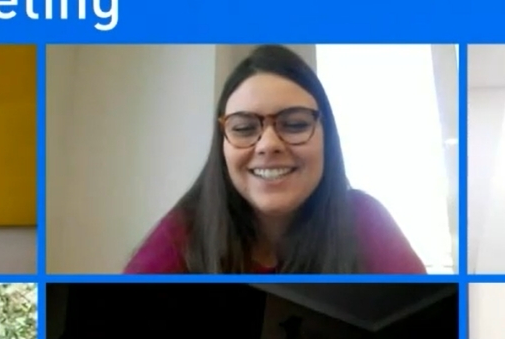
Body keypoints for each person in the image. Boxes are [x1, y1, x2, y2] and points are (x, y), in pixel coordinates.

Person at [124, 45, 427, 275]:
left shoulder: (364, 220)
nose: (268, 145)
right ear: (222, 144)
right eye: (244, 128)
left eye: (295, 124)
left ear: (327, 136)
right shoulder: (185, 231)